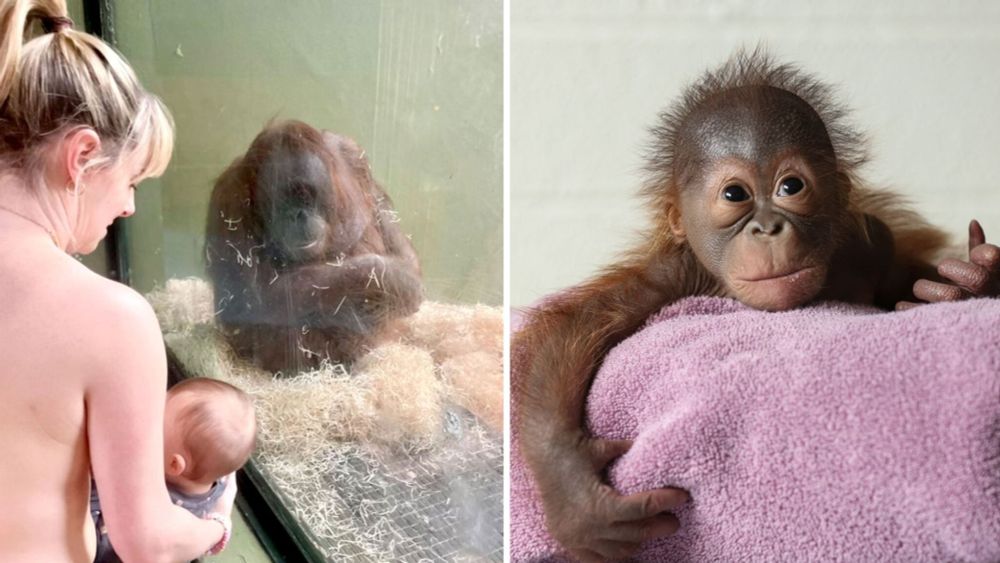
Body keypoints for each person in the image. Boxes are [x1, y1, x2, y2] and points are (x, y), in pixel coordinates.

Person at [0, 0, 235, 560]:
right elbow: (145, 542)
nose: (129, 206)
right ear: (82, 156)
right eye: (132, 180)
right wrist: (216, 525)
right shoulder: (110, 318)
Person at [92, 378, 258, 563]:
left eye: (156, 421)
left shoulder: (160, 509)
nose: (148, 415)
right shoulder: (220, 484)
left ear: (174, 465)